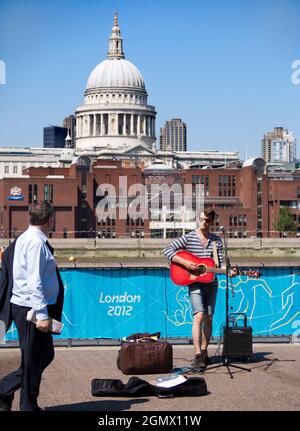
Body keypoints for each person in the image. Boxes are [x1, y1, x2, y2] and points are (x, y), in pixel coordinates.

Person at [0, 201, 64, 411]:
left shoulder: (24, 238)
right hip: (31, 310)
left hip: (27, 307)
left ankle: (10, 393)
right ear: (49, 220)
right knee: (33, 359)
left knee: (41, 356)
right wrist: (42, 314)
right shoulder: (36, 243)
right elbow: (34, 281)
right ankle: (21, 401)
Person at [163, 208, 234, 370]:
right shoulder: (189, 238)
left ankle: (204, 351)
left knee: (209, 317)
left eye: (207, 220)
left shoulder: (217, 241)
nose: (204, 222)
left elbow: (219, 264)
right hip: (194, 282)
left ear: (212, 222)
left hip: (211, 282)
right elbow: (166, 250)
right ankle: (197, 355)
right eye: (201, 219)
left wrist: (228, 271)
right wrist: (186, 263)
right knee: (199, 316)